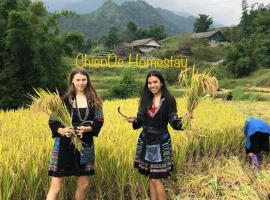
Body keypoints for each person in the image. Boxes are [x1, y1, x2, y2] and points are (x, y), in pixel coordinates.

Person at [126, 70, 192, 200]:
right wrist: (134, 120)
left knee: (156, 179)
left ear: (161, 83)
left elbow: (174, 122)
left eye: (155, 82)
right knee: (151, 178)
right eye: (149, 83)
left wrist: (185, 119)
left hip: (160, 141)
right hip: (146, 140)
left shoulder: (168, 100)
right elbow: (140, 121)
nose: (152, 85)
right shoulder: (145, 100)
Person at [46, 67, 104, 200]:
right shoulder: (64, 100)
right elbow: (52, 121)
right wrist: (62, 130)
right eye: (78, 79)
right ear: (72, 80)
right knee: (56, 186)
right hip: (63, 145)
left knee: (83, 184)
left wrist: (86, 129)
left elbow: (99, 120)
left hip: (85, 144)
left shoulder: (95, 100)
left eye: (84, 79)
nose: (81, 83)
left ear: (88, 80)